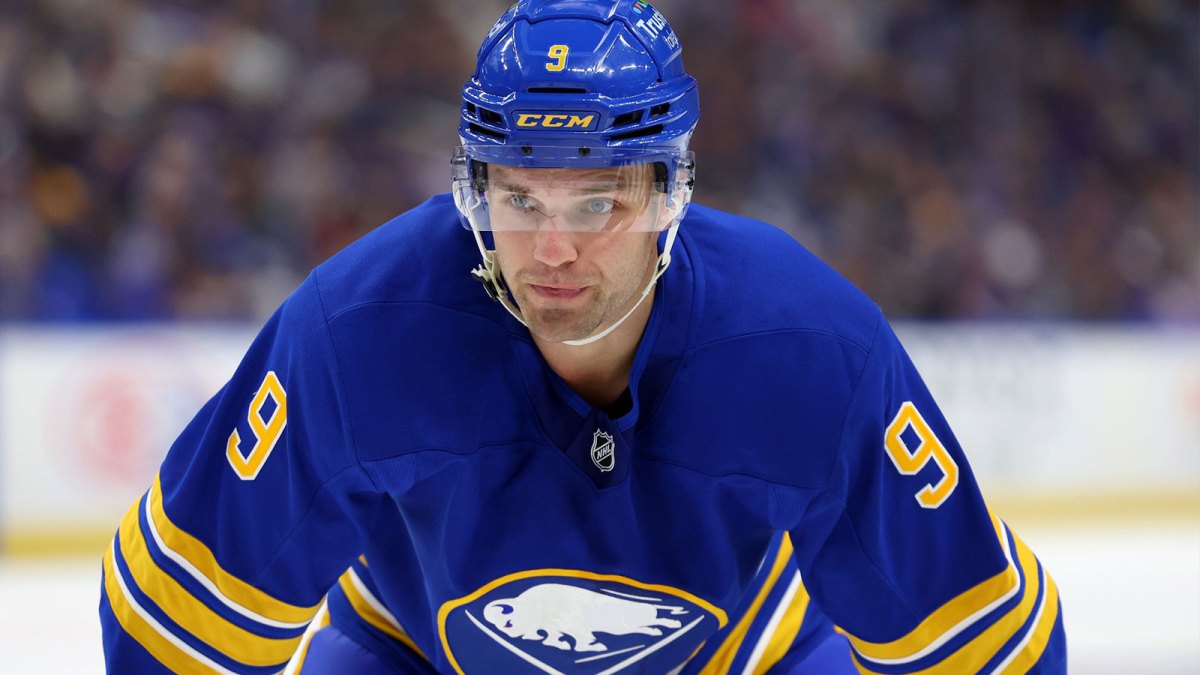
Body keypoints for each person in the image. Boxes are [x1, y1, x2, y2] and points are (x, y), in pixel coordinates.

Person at [99, 1, 1067, 673]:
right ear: (476, 191)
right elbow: (177, 626)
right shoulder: (353, 336)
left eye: (598, 198)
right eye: (520, 197)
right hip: (414, 653)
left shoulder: (811, 350)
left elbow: (978, 640)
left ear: (668, 196)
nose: (552, 249)